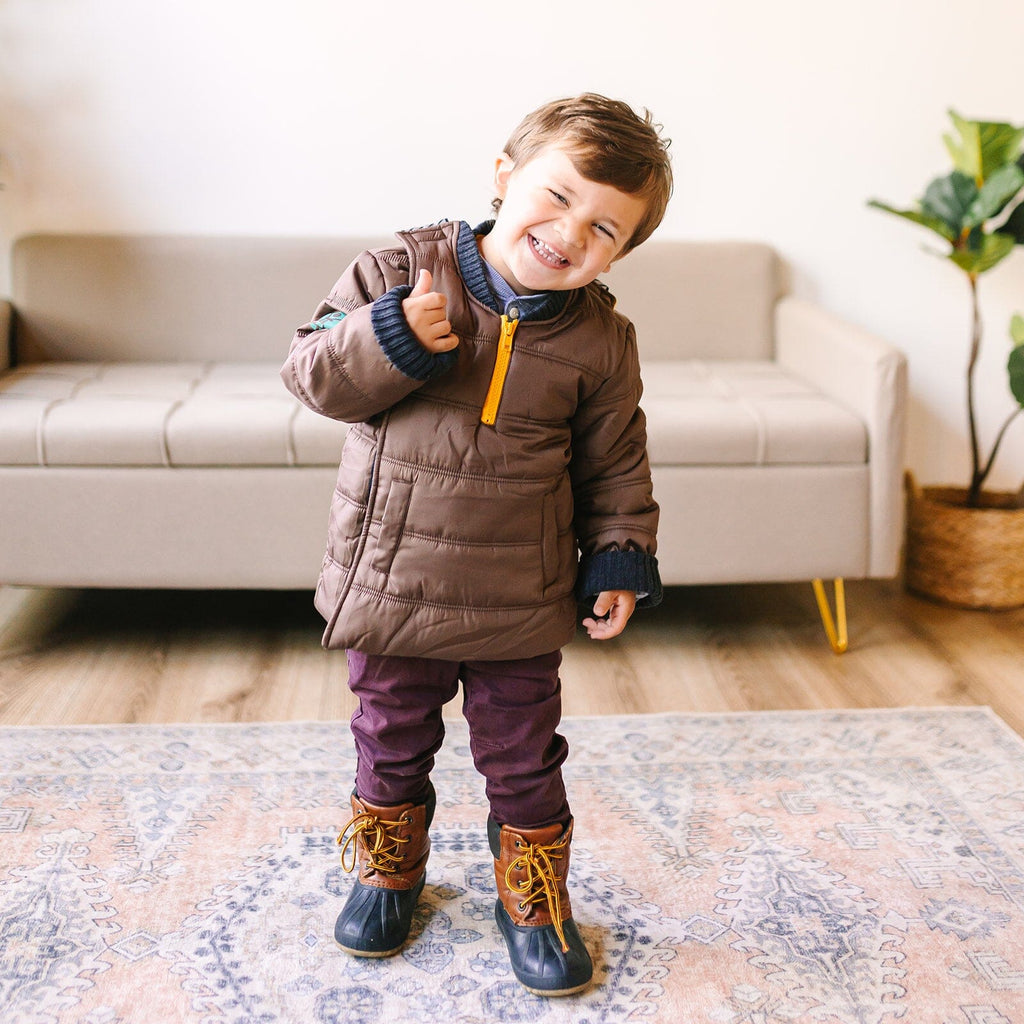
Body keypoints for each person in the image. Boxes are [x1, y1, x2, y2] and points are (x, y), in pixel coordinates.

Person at [281, 92, 672, 997]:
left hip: (520, 596)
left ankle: (532, 895)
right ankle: (389, 868)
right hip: (392, 578)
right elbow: (310, 374)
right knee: (389, 735)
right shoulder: (398, 271)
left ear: (622, 251)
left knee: (525, 753)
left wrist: (617, 555)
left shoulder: (603, 342)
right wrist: (389, 338)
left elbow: (616, 461)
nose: (571, 231)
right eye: (558, 195)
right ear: (504, 177)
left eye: (605, 227)